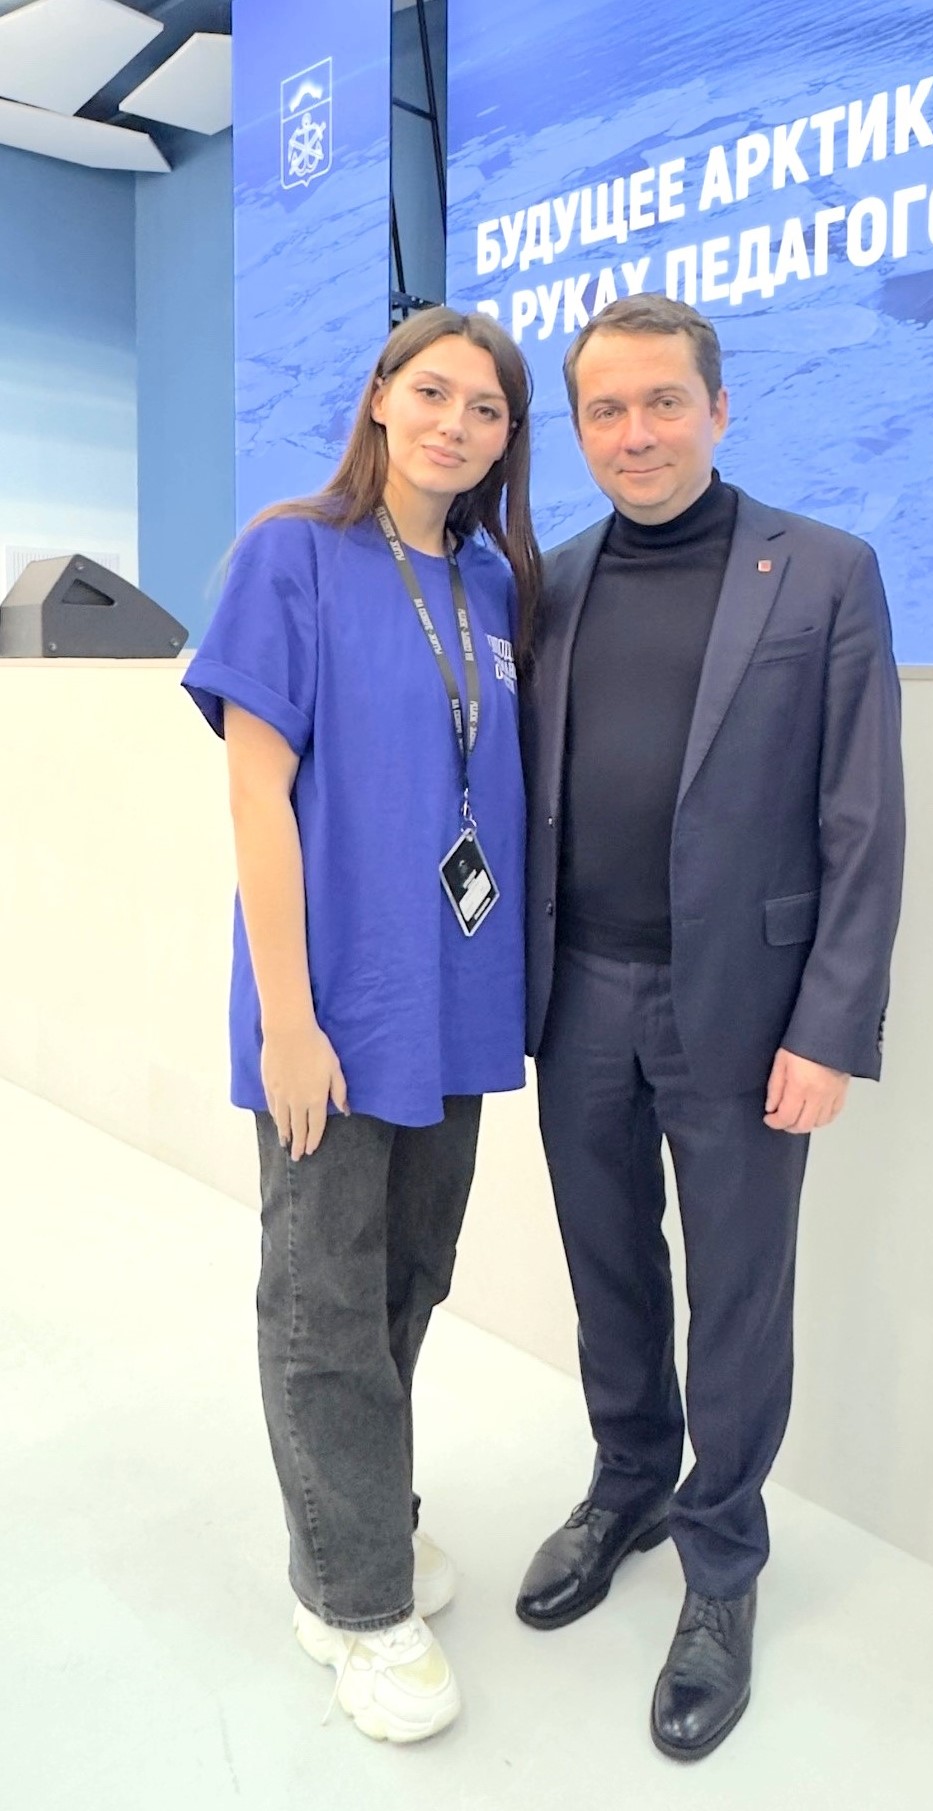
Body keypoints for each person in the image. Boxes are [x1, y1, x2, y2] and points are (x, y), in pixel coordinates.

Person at [517, 296, 905, 1761]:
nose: (637, 434)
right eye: (606, 411)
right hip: (579, 993)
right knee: (605, 1258)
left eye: (663, 403)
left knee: (739, 1289)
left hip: (743, 1010)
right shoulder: (549, 583)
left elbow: (864, 821)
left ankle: (722, 1560)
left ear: (720, 408)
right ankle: (628, 1481)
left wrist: (831, 1025)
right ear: (581, 430)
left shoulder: (827, 573)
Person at [182, 308, 540, 1746]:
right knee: (321, 1301)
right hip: (334, 1009)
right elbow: (255, 795)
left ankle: (361, 1512)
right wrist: (288, 1019)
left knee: (408, 1283)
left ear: (507, 442)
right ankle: (354, 1599)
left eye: (487, 409)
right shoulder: (292, 555)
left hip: (454, 1005)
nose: (456, 423)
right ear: (382, 399)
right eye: (432, 391)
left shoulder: (496, 585)